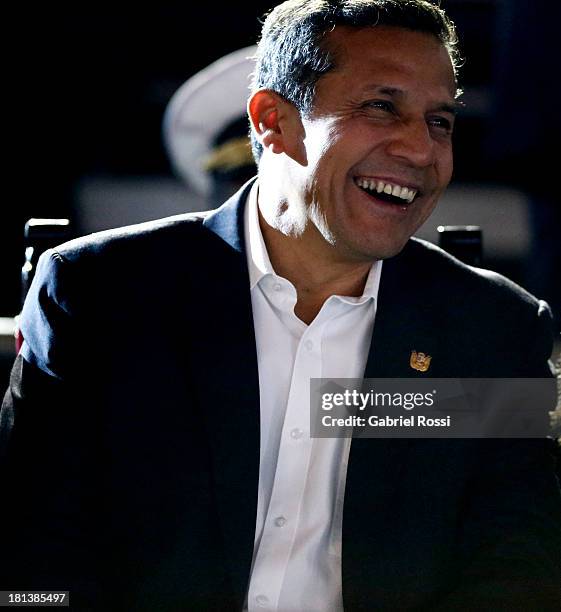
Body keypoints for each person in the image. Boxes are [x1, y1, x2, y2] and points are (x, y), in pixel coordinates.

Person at [1, 1, 560, 610]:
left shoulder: (488, 332)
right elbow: (32, 565)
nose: (422, 151)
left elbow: (516, 567)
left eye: (440, 121)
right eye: (380, 106)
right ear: (272, 120)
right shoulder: (103, 296)